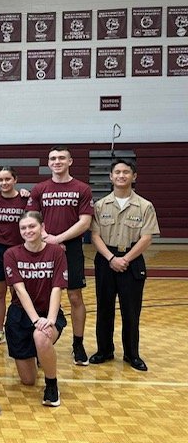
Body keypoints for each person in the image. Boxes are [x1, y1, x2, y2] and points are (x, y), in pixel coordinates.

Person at [89, 159, 159, 371]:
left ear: (134, 176)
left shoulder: (145, 206)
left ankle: (131, 354)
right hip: (106, 259)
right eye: (117, 172)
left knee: (131, 311)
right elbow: (95, 235)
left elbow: (147, 237)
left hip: (132, 260)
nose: (121, 175)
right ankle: (104, 350)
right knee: (104, 308)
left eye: (126, 172)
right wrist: (112, 258)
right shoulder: (100, 206)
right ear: (111, 177)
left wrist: (125, 259)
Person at [27, 146, 94, 366]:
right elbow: (32, 218)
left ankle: (78, 344)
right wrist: (48, 238)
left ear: (70, 161)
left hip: (71, 248)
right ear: (48, 163)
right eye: (53, 158)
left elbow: (85, 222)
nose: (57, 161)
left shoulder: (82, 188)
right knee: (44, 296)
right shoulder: (40, 189)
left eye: (61, 158)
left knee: (75, 297)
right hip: (43, 247)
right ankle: (42, 341)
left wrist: (59, 239)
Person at [3, 211, 68, 407]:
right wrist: (35, 320)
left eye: (32, 226)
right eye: (23, 228)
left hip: (48, 312)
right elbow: (20, 290)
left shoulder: (56, 252)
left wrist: (50, 319)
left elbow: (57, 288)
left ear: (42, 228)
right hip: (20, 315)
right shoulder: (11, 254)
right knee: (29, 380)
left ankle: (51, 385)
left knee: (41, 336)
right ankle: (39, 355)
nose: (28, 231)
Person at [0, 167, 28, 343]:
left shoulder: (25, 199)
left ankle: (18, 328)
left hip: (18, 250)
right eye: (0, 180)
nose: (4, 183)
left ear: (15, 180)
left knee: (17, 292)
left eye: (7, 179)